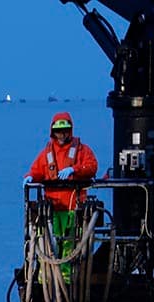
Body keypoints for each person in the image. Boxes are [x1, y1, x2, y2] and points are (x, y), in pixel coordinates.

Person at [25, 112, 99, 275]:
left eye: (65, 130)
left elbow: (92, 166)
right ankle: (46, 277)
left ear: (70, 130)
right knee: (48, 243)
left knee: (69, 244)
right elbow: (37, 169)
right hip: (52, 207)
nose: (62, 134)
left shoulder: (81, 150)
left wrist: (75, 169)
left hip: (73, 207)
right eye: (59, 131)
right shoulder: (47, 153)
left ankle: (65, 280)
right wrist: (29, 177)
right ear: (53, 132)